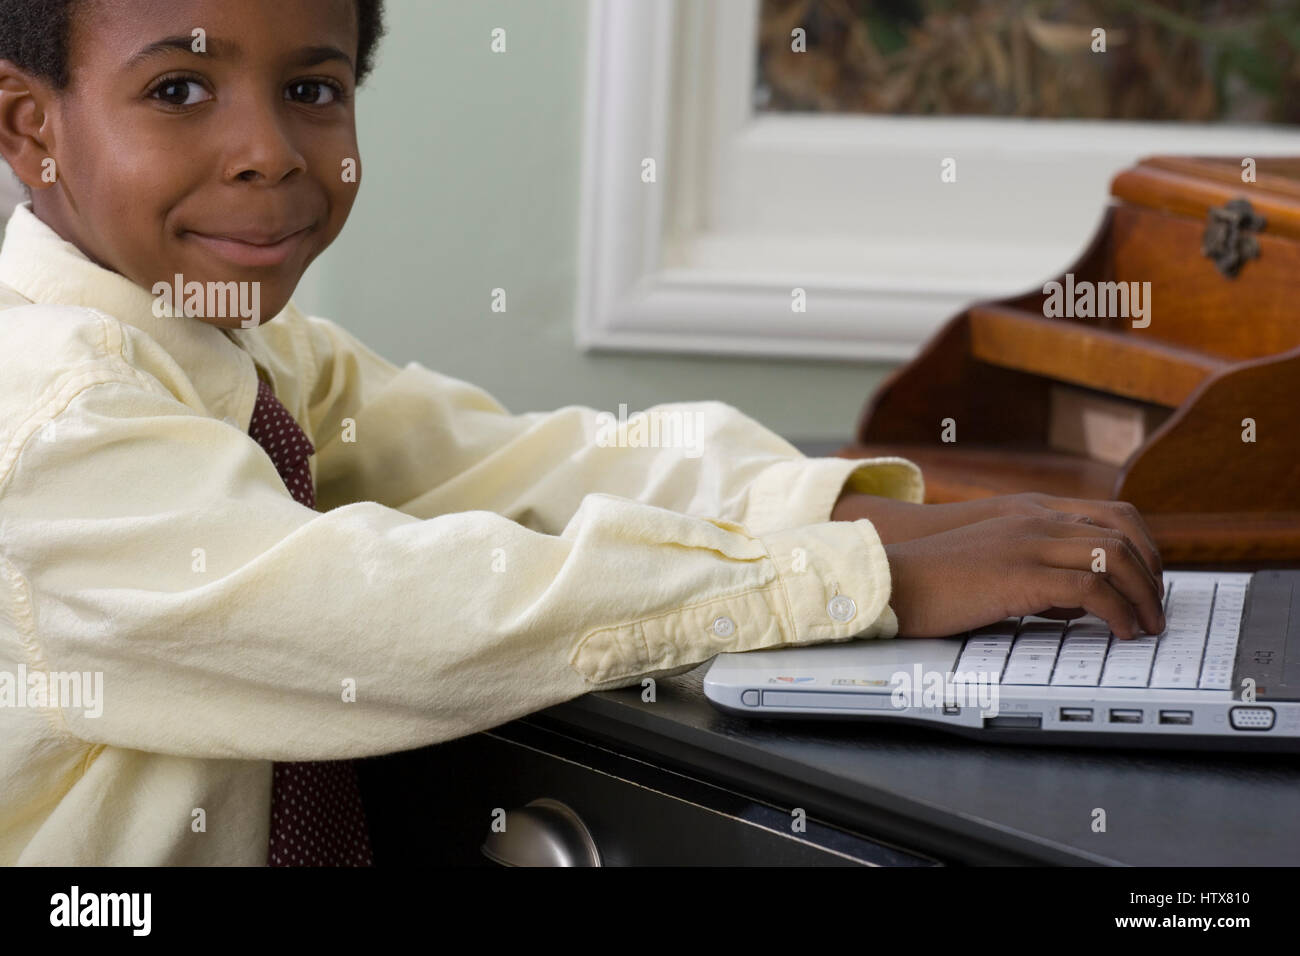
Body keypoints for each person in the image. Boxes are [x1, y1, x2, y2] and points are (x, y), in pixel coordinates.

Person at [0, 0, 1163, 866]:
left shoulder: (225, 340)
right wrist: (848, 579)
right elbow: (371, 613)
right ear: (29, 127)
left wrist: (858, 517)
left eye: (313, 89)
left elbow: (521, 460)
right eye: (178, 93)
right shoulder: (53, 416)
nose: (271, 151)